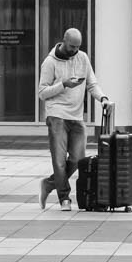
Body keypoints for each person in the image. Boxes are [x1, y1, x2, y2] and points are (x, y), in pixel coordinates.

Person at [37, 27, 106, 211]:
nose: (74, 51)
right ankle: (64, 198)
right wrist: (63, 85)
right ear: (63, 41)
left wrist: (103, 98)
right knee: (59, 160)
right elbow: (42, 93)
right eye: (71, 47)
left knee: (77, 159)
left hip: (76, 116)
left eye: (77, 47)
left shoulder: (82, 58)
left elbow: (92, 84)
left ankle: (50, 184)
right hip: (56, 114)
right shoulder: (49, 63)